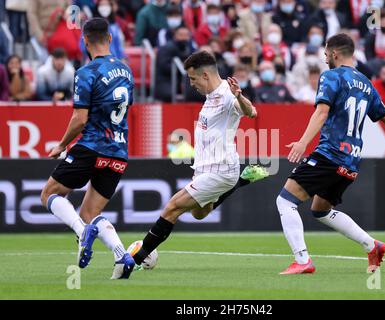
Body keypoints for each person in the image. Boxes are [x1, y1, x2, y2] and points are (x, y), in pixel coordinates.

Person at [276, 33, 385, 275]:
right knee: (320, 209)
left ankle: (302, 261)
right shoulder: (366, 82)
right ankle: (371, 245)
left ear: (334, 53)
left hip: (329, 154)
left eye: (325, 54)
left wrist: (303, 142)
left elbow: (321, 113)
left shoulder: (331, 76)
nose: (324, 59)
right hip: (351, 162)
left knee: (285, 200)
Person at [131, 51, 260, 266]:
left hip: (221, 169)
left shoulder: (228, 94)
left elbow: (251, 112)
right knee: (199, 213)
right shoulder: (210, 97)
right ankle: (240, 182)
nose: (191, 84)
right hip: (206, 169)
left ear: (206, 76)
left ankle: (135, 258)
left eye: (193, 79)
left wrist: (239, 96)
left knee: (172, 206)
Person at [40, 18, 135, 280]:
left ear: (84, 41)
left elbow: (80, 119)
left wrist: (61, 144)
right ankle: (122, 256)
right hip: (118, 151)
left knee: (49, 194)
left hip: (92, 146)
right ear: (110, 38)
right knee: (92, 212)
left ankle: (82, 232)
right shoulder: (127, 71)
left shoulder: (85, 72)